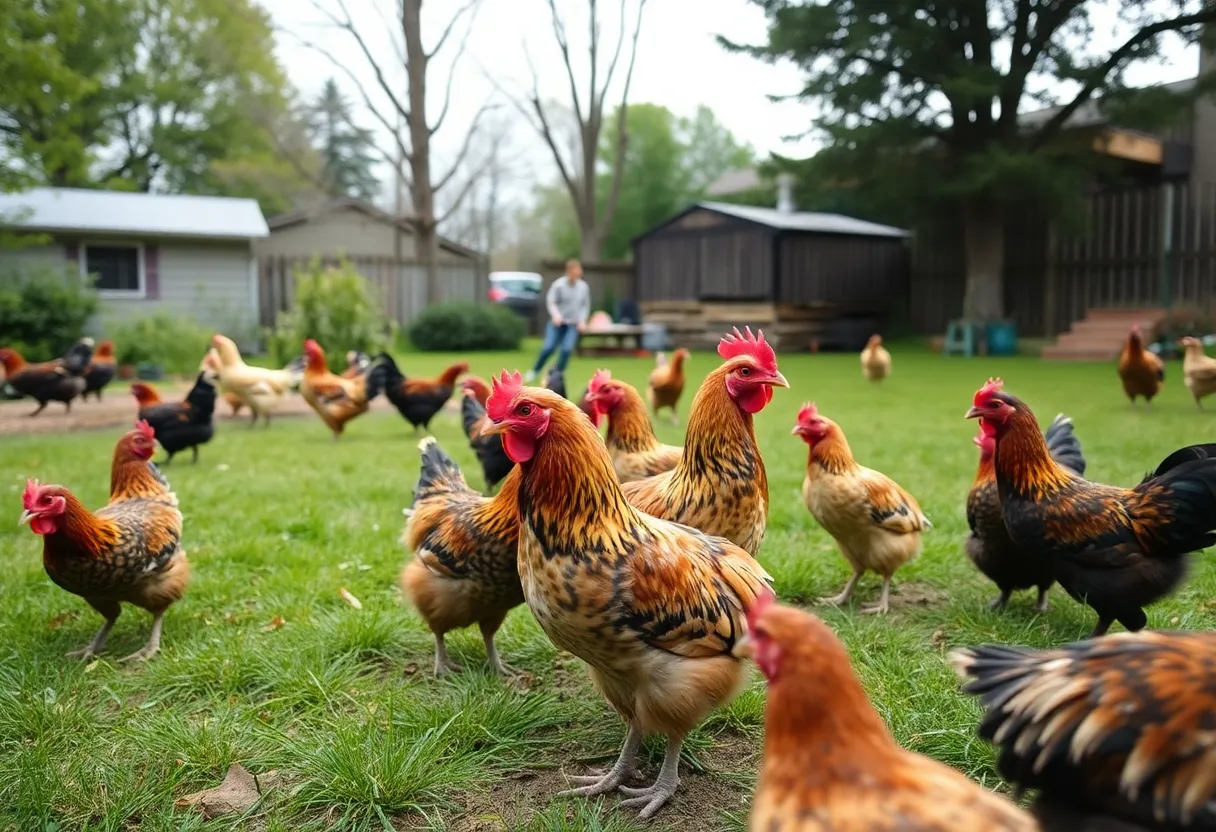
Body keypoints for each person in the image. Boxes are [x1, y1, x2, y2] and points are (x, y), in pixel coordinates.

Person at [525, 259, 590, 381]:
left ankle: (558, 374)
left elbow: (584, 306)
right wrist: (556, 315)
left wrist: (582, 320)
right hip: (557, 323)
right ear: (569, 271)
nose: (578, 273)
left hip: (572, 324)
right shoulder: (559, 285)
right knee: (548, 348)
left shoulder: (583, 287)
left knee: (567, 349)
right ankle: (534, 371)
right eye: (575, 271)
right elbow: (551, 301)